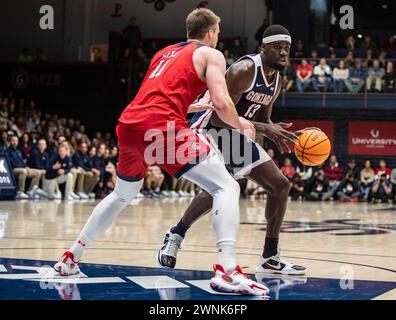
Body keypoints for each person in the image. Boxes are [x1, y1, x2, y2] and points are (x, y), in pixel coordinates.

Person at [54, 8, 267, 295]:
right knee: (226, 187)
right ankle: (227, 271)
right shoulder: (211, 54)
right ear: (211, 33)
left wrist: (193, 106)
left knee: (122, 194)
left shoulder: (164, 53)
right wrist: (240, 122)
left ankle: (70, 258)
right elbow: (222, 101)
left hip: (129, 126)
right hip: (161, 130)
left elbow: (156, 97)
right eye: (217, 33)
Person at [158, 24, 307, 276]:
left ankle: (270, 256)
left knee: (280, 186)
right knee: (219, 188)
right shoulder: (244, 70)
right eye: (278, 47)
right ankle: (176, 233)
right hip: (212, 130)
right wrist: (264, 129)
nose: (284, 53)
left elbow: (262, 118)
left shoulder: (277, 80)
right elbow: (219, 116)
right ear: (264, 48)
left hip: (239, 134)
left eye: (287, 48)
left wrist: (275, 132)